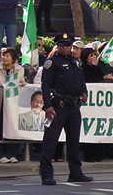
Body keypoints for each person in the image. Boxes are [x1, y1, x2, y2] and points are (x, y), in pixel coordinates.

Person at [40, 33, 93, 185]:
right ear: (58, 46)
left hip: (74, 106)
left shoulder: (75, 61)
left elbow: (80, 79)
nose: (66, 48)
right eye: (63, 45)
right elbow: (45, 85)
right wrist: (48, 105)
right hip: (58, 106)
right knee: (50, 141)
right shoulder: (52, 62)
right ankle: (46, 174)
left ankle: (76, 173)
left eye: (68, 45)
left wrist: (84, 92)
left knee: (74, 141)